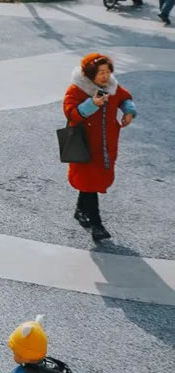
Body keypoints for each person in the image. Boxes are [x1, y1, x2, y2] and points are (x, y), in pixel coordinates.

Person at [62, 52, 136, 242]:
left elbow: (125, 98)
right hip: (84, 144)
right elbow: (71, 113)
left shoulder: (112, 87)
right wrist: (91, 104)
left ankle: (80, 210)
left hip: (106, 144)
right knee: (90, 181)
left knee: (91, 181)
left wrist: (129, 112)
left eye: (107, 72)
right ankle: (97, 224)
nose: (105, 76)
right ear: (89, 74)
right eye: (100, 72)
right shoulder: (77, 90)